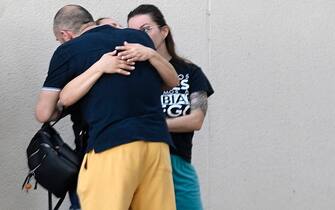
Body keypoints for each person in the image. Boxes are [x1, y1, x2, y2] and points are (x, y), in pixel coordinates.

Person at [35, 4, 178, 210]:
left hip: (110, 145)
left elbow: (44, 113)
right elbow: (166, 82)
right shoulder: (139, 39)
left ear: (65, 35)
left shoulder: (68, 50)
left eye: (59, 39)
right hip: (156, 143)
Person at [126, 5, 214, 210]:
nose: (141, 36)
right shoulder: (130, 72)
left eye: (146, 29)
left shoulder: (190, 72)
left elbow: (196, 120)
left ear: (164, 31)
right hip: (138, 162)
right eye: (133, 32)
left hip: (177, 162)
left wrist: (151, 125)